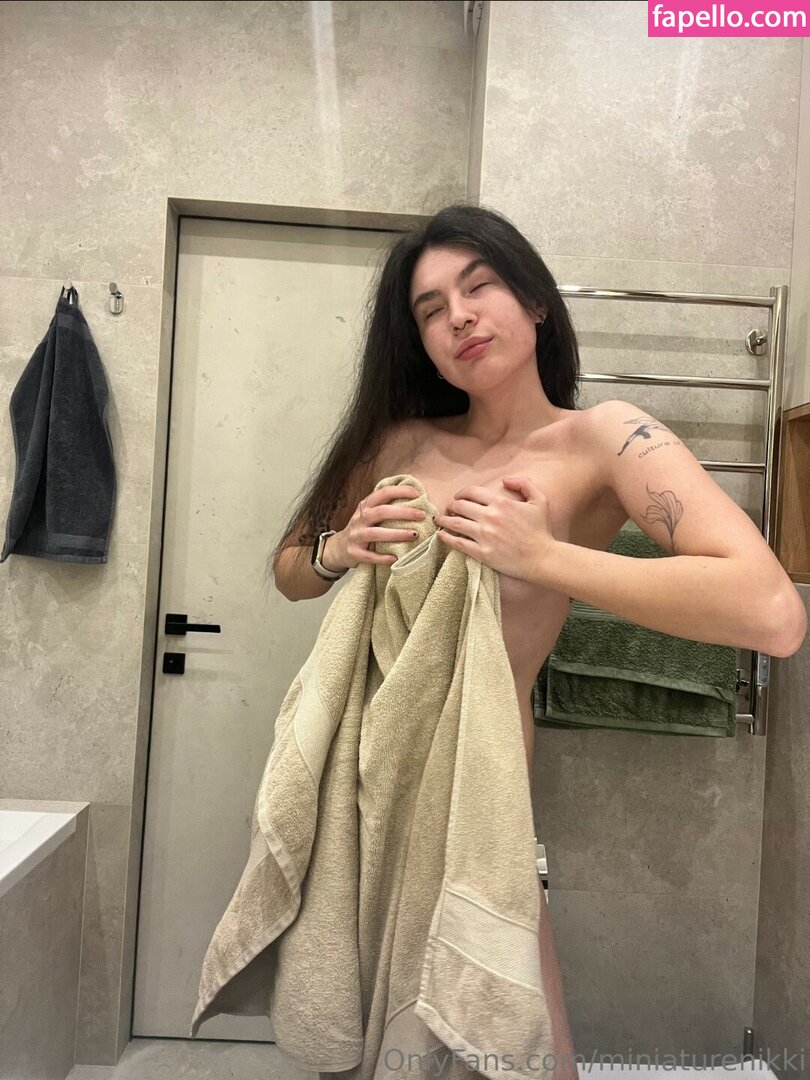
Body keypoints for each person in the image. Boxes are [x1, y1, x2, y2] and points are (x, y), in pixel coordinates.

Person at [266, 200, 806, 1077]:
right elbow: (291, 567)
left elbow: (772, 612)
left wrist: (545, 557)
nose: (458, 317)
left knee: (517, 1050)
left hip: (484, 804)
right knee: (364, 1048)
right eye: (430, 309)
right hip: (360, 788)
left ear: (537, 302)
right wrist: (338, 549)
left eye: (478, 286)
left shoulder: (603, 441)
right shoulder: (396, 442)